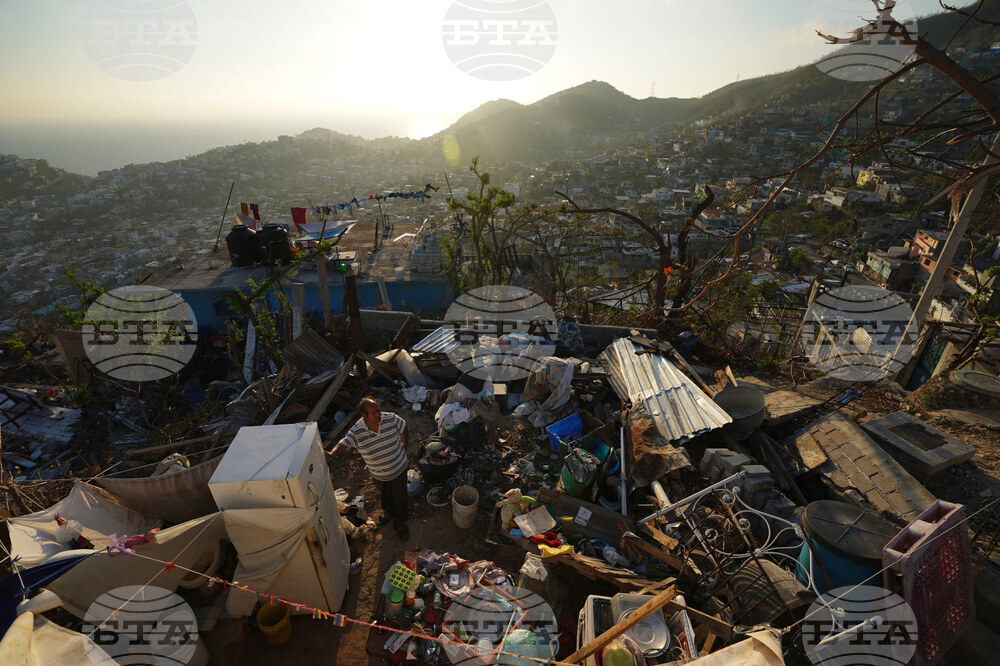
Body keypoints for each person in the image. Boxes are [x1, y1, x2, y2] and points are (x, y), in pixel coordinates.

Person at [326, 397, 411, 540]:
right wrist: (331, 453)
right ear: (364, 415)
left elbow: (404, 427)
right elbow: (345, 442)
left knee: (400, 496)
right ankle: (389, 512)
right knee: (385, 494)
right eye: (374, 412)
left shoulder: (391, 419)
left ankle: (400, 521)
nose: (378, 414)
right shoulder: (357, 431)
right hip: (378, 474)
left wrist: (405, 445)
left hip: (398, 468)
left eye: (378, 410)